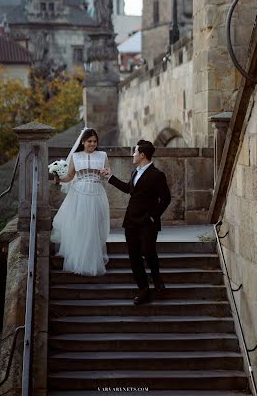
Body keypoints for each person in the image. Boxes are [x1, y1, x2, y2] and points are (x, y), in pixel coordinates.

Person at [101, 140, 171, 305]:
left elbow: (166, 199)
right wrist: (110, 177)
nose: (133, 154)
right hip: (131, 221)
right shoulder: (135, 172)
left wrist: (153, 216)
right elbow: (129, 189)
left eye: (135, 152)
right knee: (134, 257)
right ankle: (143, 289)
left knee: (148, 251)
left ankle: (158, 281)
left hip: (148, 222)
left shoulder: (157, 174)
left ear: (142, 155)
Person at [51, 128, 110, 276]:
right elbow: (70, 176)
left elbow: (107, 174)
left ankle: (93, 259)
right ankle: (80, 260)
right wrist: (58, 177)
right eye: (89, 141)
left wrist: (105, 174)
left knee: (94, 226)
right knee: (81, 225)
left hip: (97, 193)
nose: (92, 144)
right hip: (79, 194)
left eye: (95, 141)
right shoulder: (76, 157)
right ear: (83, 142)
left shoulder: (102, 155)